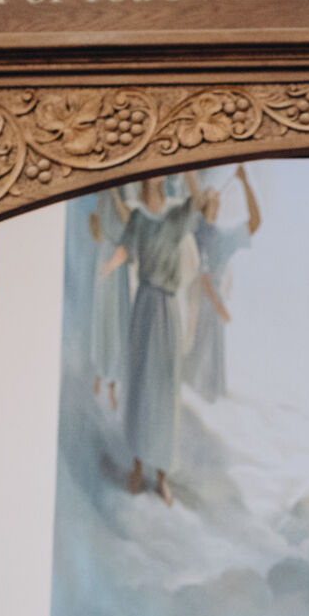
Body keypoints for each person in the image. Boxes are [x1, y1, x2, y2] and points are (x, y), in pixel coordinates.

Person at [104, 173, 201, 501]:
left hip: (167, 309)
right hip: (144, 305)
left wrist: (190, 172)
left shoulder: (176, 215)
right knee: (140, 386)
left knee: (164, 391)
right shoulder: (138, 218)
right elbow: (124, 249)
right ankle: (137, 466)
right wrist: (107, 268)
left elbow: (199, 204)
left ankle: (161, 474)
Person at [184, 163, 261, 402]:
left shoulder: (221, 236)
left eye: (216, 195)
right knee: (197, 345)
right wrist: (219, 307)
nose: (216, 195)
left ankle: (208, 393)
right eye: (211, 194)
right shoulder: (195, 229)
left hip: (212, 300)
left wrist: (245, 182)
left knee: (210, 349)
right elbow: (204, 274)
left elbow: (254, 222)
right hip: (199, 298)